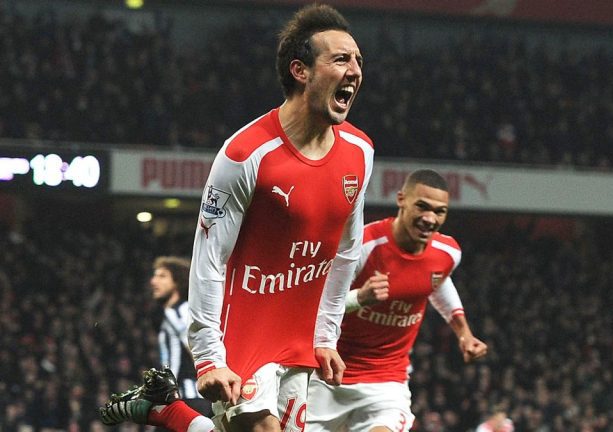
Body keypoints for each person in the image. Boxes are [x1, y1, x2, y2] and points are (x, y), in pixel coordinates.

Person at [99, 3, 371, 431]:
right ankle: (166, 409)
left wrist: (325, 335)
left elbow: (346, 251)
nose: (354, 70)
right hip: (240, 332)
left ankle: (165, 410)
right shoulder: (245, 154)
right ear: (300, 71)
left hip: (297, 337)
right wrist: (208, 356)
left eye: (358, 60)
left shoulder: (359, 152)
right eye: (340, 59)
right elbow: (209, 258)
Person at [306, 169, 488, 432]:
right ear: (401, 199)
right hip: (329, 376)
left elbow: (436, 282)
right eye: (422, 207)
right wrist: (360, 298)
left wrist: (464, 333)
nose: (430, 218)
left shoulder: (447, 253)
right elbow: (315, 306)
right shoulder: (363, 246)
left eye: (439, 211)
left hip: (386, 383)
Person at [99, 257, 214, 430]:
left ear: (177, 282)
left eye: (162, 276)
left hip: (188, 400)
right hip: (182, 400)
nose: (153, 281)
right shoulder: (170, 315)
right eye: (154, 276)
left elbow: (198, 350)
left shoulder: (180, 312)